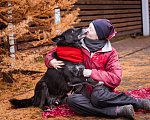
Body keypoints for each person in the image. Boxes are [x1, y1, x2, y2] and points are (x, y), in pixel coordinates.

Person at [44, 19, 150, 119]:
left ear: (98, 37)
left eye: (91, 29)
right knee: (72, 100)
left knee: (97, 96)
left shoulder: (110, 53)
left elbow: (116, 78)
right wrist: (50, 60)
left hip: (101, 88)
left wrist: (91, 73)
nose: (86, 30)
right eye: (88, 26)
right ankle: (118, 110)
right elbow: (56, 51)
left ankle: (138, 103)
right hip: (83, 89)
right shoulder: (78, 44)